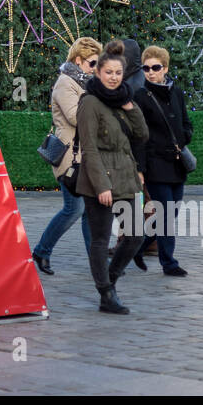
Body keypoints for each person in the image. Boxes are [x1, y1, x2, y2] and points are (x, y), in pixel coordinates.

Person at [76, 44, 149, 314]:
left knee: (135, 235)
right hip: (101, 180)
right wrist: (101, 185)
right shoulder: (90, 102)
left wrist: (130, 107)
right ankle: (106, 294)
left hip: (126, 176)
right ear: (98, 72)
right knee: (101, 239)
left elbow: (142, 135)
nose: (114, 77)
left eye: (118, 72)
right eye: (108, 72)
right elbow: (90, 147)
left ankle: (111, 279)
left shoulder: (122, 100)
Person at [31, 37, 102, 275]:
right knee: (74, 209)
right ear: (79, 60)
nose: (95, 68)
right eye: (92, 63)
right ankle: (41, 251)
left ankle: (97, 262)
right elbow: (75, 116)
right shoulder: (66, 83)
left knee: (87, 211)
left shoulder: (87, 83)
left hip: (86, 157)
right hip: (71, 158)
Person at [134, 46, 194, 277]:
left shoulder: (176, 92)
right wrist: (140, 168)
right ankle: (169, 263)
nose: (150, 72)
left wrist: (184, 136)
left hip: (176, 163)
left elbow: (186, 122)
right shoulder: (141, 96)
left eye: (155, 68)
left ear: (165, 68)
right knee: (166, 214)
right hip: (155, 164)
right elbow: (138, 136)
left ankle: (136, 248)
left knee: (169, 213)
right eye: (146, 68)